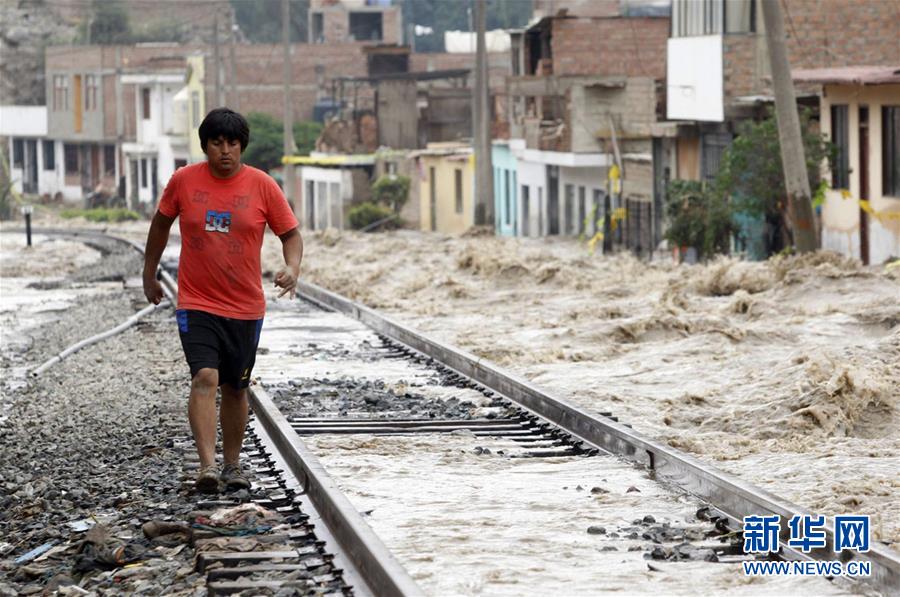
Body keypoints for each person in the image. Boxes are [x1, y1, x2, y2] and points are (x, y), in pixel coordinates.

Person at [142, 108, 302, 493]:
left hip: (246, 306)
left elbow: (291, 235)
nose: (225, 151)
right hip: (196, 302)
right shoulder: (183, 181)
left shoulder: (262, 186)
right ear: (206, 145)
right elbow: (160, 225)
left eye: (232, 143)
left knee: (235, 386)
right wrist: (149, 273)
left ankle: (233, 465)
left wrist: (292, 267)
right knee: (205, 377)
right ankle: (208, 466)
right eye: (217, 143)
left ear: (242, 146)